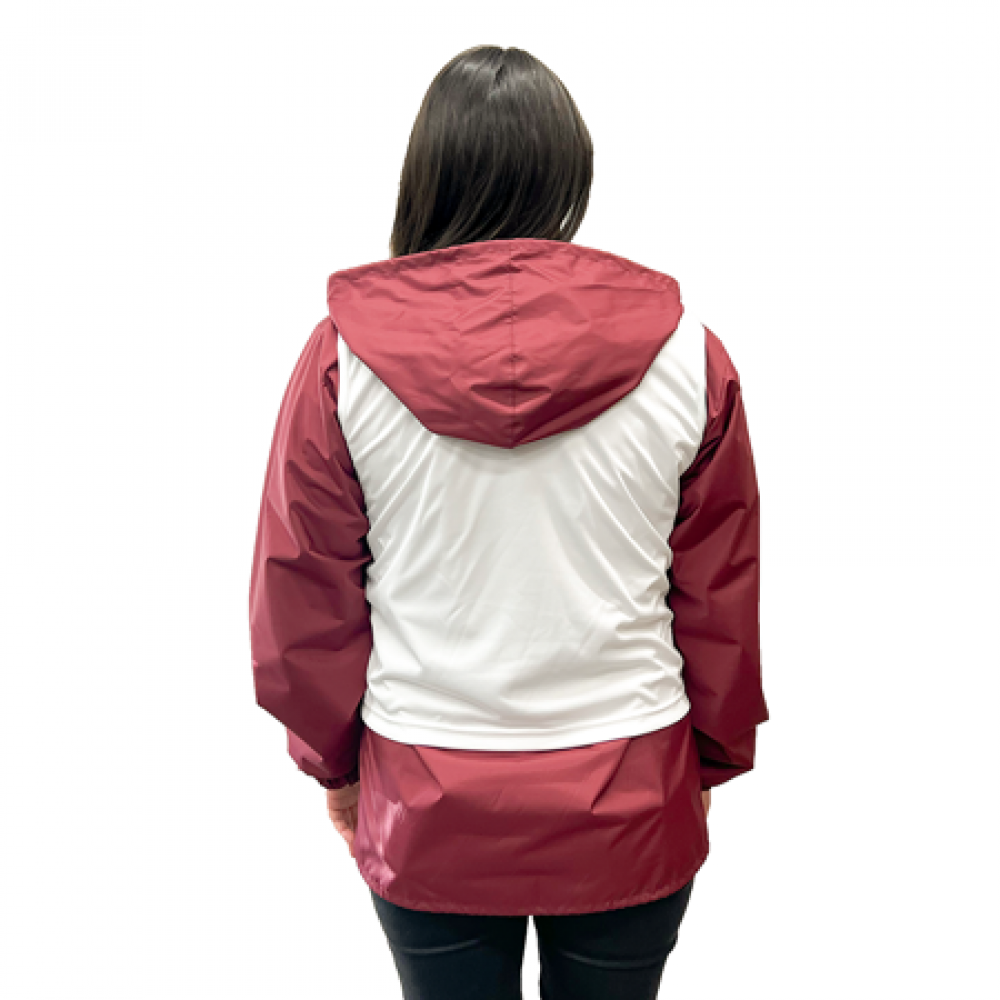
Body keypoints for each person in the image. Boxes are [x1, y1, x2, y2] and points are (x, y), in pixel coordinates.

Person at [249, 43, 769, 1000]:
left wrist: (334, 765)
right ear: (569, 172)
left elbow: (303, 595)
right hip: (631, 787)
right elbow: (720, 595)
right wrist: (711, 760)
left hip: (427, 796)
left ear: (427, 171)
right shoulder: (688, 356)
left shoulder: (341, 363)